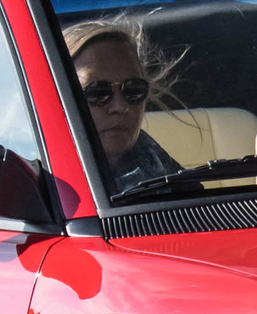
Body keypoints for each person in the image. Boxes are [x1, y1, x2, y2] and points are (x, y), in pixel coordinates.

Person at [64, 19, 179, 193]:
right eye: (97, 92)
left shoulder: (163, 169)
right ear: (59, 97)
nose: (120, 106)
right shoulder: (39, 185)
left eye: (134, 89)